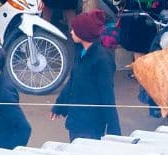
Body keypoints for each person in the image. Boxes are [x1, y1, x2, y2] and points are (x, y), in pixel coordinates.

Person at [51, 10, 121, 140]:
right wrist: (60, 105)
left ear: (84, 33)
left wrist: (114, 130)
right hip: (76, 119)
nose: (71, 32)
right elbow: (72, 81)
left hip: (91, 123)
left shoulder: (102, 59)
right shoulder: (81, 51)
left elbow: (107, 96)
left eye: (75, 29)